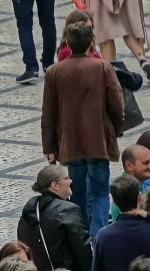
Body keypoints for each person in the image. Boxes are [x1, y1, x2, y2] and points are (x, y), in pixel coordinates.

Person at [41, 20, 125, 229]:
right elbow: (117, 103)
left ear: (68, 42)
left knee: (77, 193)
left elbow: (48, 113)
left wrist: (49, 147)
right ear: (91, 43)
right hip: (98, 141)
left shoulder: (54, 71)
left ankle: (81, 234)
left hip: (70, 142)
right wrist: (115, 129)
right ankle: (98, 236)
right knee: (99, 193)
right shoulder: (102, 67)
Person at [18, 163, 95, 271]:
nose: (71, 181)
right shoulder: (68, 210)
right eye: (66, 178)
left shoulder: (28, 212)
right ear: (54, 185)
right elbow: (82, 250)